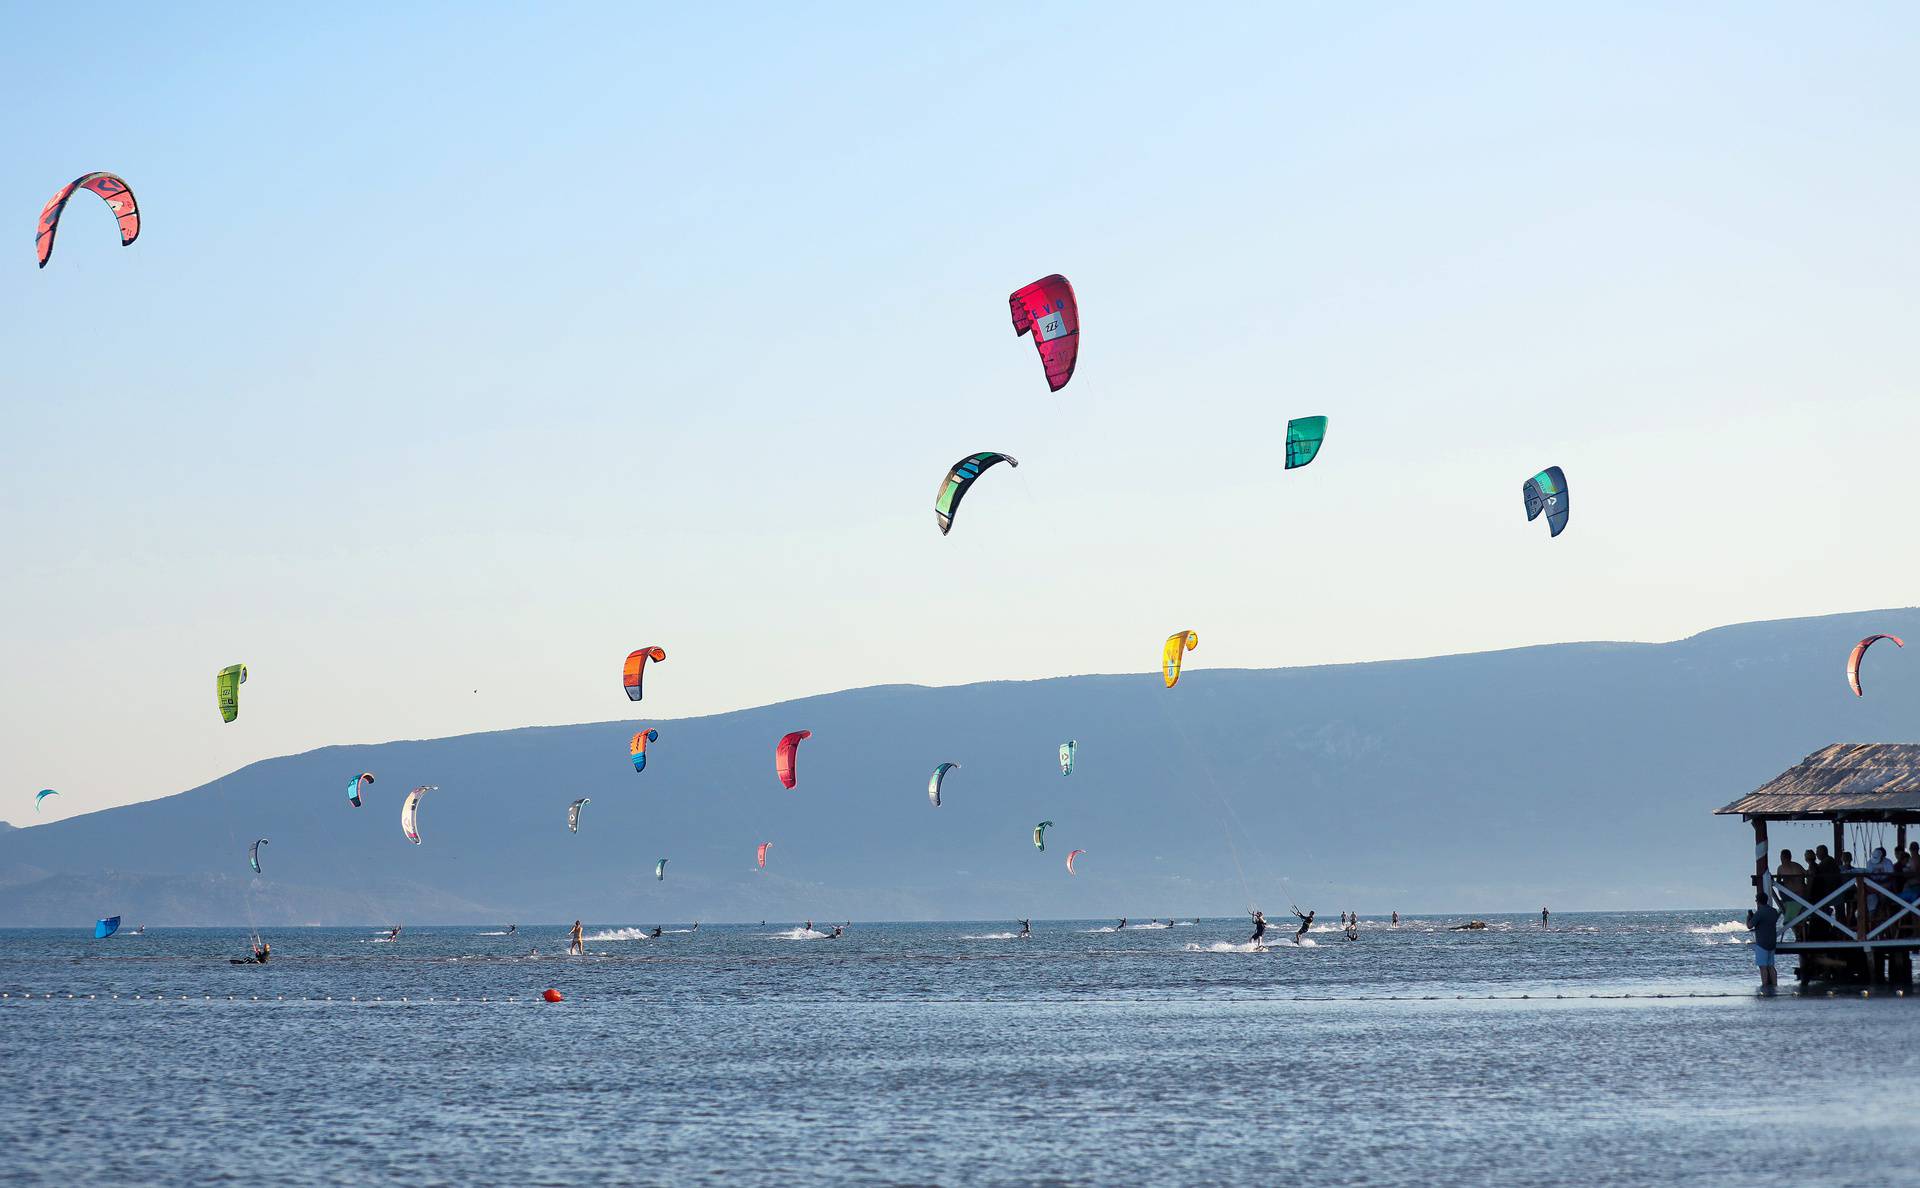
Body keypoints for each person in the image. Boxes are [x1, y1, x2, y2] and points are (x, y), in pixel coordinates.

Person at [1746, 893, 1780, 993]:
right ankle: (1775, 985)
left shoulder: (1760, 912)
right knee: (1771, 966)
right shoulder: (1773, 911)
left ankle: (1765, 985)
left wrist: (1749, 917)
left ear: (1758, 901)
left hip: (1762, 943)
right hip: (1772, 942)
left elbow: (1749, 925)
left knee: (1763, 967)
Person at [1775, 849, 1809, 938]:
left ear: (1782, 858)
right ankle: (1800, 934)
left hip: (1791, 897)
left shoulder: (1781, 868)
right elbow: (1808, 875)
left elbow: (1777, 883)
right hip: (1802, 895)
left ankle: (1798, 934)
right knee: (1797, 917)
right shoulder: (1797, 866)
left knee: (1790, 916)